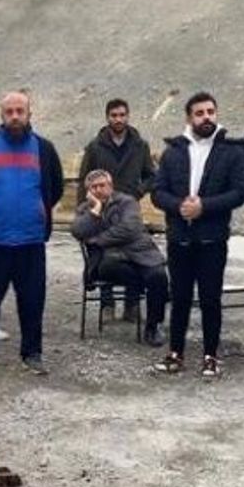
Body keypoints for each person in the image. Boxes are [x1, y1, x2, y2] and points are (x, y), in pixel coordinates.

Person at [0, 92, 65, 377]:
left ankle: (32, 354)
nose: (15, 116)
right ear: (1, 114)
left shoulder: (44, 149)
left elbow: (55, 188)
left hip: (31, 241)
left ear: (30, 113)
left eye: (20, 110)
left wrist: (38, 210)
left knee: (32, 301)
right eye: (10, 111)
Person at [151, 92, 244, 380]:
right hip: (179, 238)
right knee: (179, 297)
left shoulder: (232, 152)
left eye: (210, 111)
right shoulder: (173, 152)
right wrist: (179, 206)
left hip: (212, 239)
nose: (206, 117)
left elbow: (240, 191)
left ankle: (211, 356)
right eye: (200, 113)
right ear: (189, 117)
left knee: (210, 299)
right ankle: (175, 353)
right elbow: (158, 192)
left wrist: (204, 207)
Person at [76, 98, 158, 325]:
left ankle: (132, 305)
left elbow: (151, 175)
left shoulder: (139, 145)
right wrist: (85, 209)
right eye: (114, 115)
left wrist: (137, 193)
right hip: (103, 209)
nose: (118, 119)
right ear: (107, 117)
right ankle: (107, 304)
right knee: (103, 250)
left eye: (122, 115)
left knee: (133, 252)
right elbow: (85, 179)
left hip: (129, 209)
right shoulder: (95, 146)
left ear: (128, 116)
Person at [71, 170, 168, 347]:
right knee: (109, 266)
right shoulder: (85, 208)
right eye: (94, 187)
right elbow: (77, 231)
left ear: (111, 186)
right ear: (89, 190)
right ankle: (147, 288)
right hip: (110, 260)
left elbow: (129, 228)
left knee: (158, 276)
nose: (99, 190)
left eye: (102, 185)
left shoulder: (127, 202)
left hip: (140, 253)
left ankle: (153, 326)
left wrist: (97, 240)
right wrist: (95, 211)